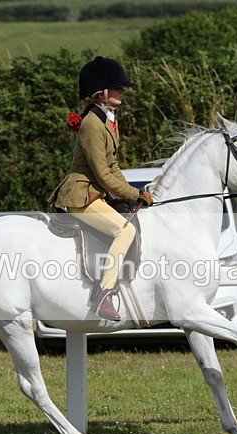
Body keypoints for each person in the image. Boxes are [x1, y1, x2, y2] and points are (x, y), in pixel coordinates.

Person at [49, 56, 153, 321]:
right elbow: (103, 174)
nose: (123, 91)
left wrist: (133, 193)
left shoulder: (108, 120)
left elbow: (113, 166)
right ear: (101, 93)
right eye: (118, 87)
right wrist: (134, 194)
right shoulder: (92, 125)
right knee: (124, 230)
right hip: (81, 195)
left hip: (95, 194)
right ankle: (103, 293)